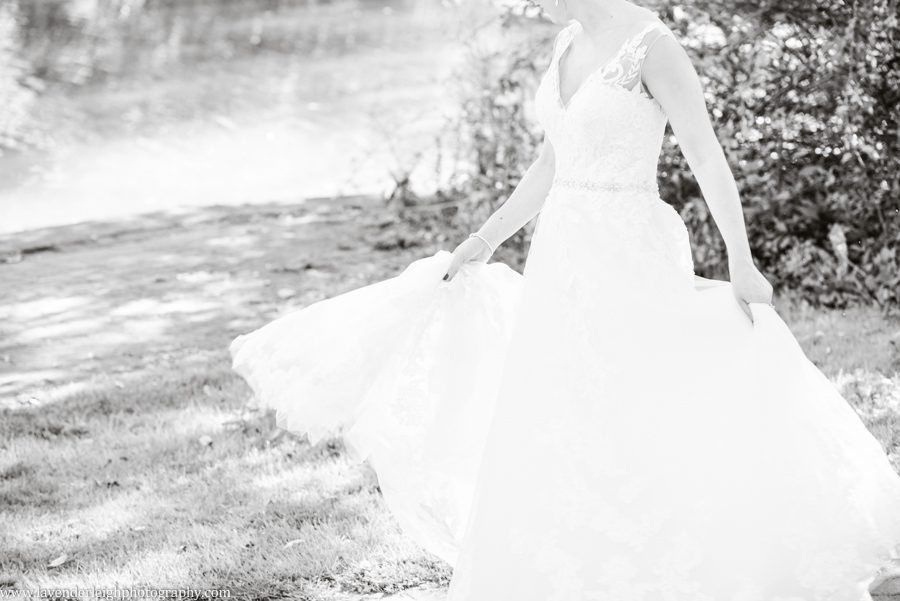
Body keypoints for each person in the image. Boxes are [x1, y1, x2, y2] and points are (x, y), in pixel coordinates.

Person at [231, 1, 900, 598]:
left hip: (629, 248)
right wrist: (484, 239)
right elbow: (552, 165)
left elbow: (705, 152)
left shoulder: (653, 45)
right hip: (563, 257)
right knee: (563, 410)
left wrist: (742, 259)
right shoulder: (566, 44)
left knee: (645, 403)